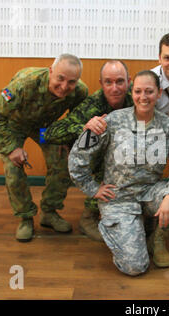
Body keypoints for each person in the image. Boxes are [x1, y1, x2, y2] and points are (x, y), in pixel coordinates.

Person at [68, 70, 169, 276]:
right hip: (118, 198)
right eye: (138, 91)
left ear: (159, 93)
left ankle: (157, 238)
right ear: (132, 92)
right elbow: (77, 158)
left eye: (149, 91)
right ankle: (119, 225)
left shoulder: (168, 126)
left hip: (150, 192)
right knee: (135, 267)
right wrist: (93, 188)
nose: (143, 97)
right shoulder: (112, 121)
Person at [0, 53, 88, 242]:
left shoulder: (80, 91)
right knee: (13, 168)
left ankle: (49, 212)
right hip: (14, 125)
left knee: (62, 162)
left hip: (44, 127)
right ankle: (25, 217)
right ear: (51, 71)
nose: (65, 86)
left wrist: (67, 141)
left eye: (71, 82)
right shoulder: (25, 83)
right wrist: (11, 148)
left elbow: (76, 119)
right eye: (60, 78)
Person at [44, 60, 132, 241]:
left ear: (129, 82)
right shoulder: (92, 104)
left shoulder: (136, 98)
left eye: (120, 82)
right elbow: (49, 133)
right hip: (98, 159)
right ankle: (89, 216)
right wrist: (83, 127)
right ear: (101, 84)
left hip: (128, 154)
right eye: (108, 82)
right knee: (109, 155)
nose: (114, 88)